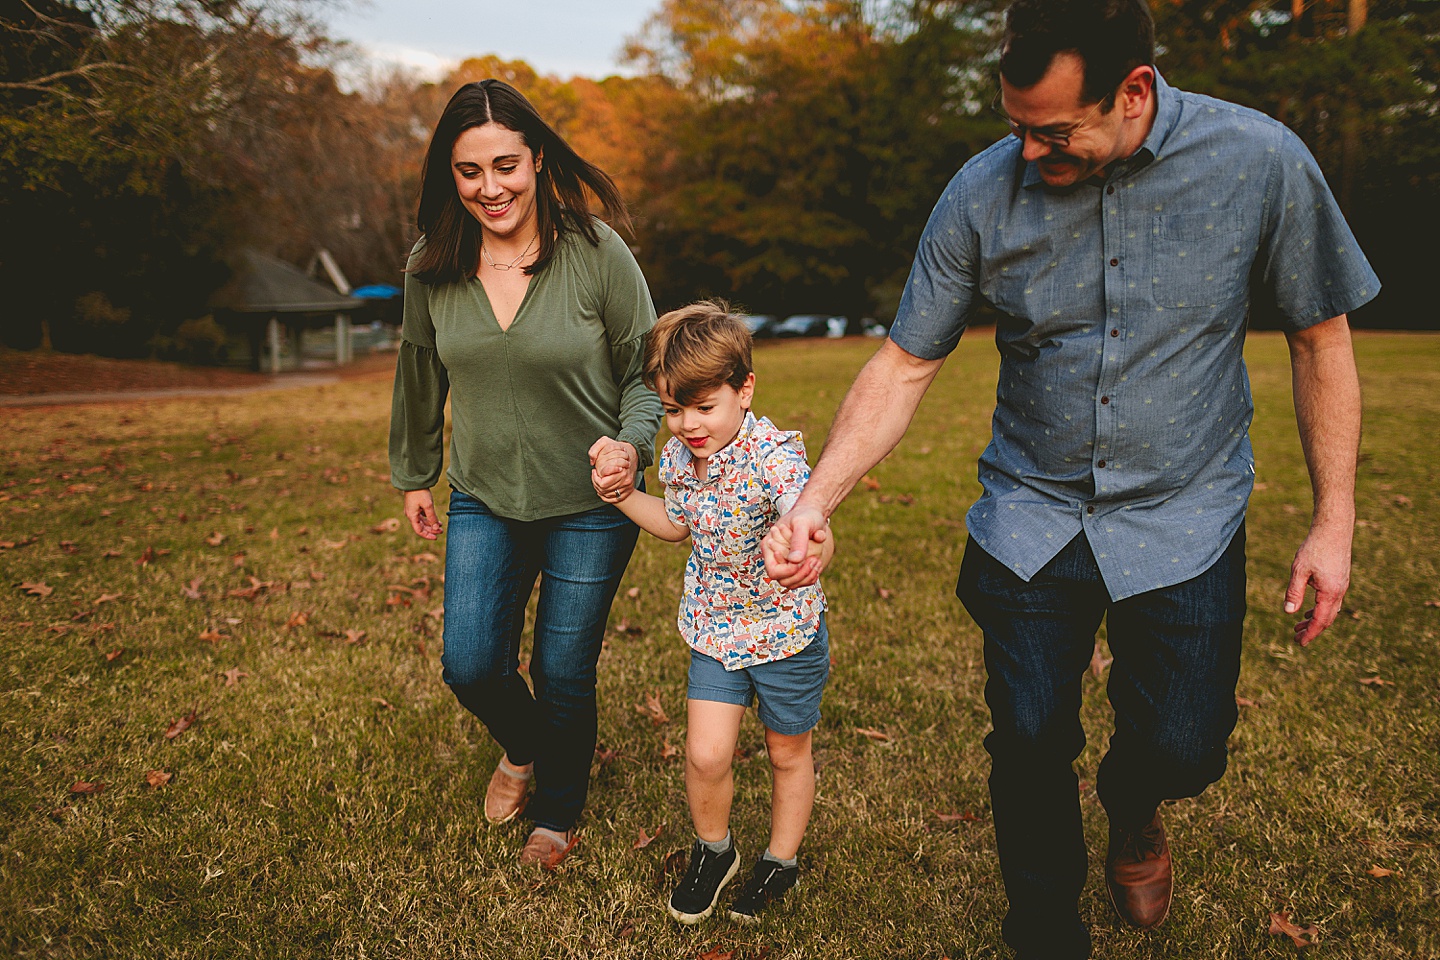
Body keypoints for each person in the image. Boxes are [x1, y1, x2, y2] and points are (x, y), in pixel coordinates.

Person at [761, 0, 1378, 956]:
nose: (1028, 153)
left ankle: (1134, 806)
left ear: (1133, 92)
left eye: (1053, 132)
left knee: (1184, 745)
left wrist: (1333, 519)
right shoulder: (979, 191)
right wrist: (813, 502)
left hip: (1187, 513)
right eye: (1014, 127)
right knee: (1030, 741)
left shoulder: (1261, 162)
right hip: (1031, 514)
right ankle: (1044, 930)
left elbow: (1319, 337)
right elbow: (905, 364)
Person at [389, 79, 664, 866]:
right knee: (471, 663)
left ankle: (558, 810)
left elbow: (646, 366)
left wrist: (630, 446)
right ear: (450, 176)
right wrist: (415, 471)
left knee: (562, 667)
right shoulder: (432, 264)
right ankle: (525, 745)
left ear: (538, 160)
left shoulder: (594, 251)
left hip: (591, 499)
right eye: (469, 171)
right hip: (484, 495)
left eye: (505, 165)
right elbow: (417, 370)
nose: (490, 188)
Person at [592, 301, 833, 923]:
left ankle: (780, 861)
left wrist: (807, 544)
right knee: (705, 754)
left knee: (787, 752)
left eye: (704, 407)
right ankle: (714, 851)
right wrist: (624, 497)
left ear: (744, 388)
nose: (688, 425)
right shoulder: (678, 458)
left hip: (784, 632)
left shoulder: (772, 454)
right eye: (673, 410)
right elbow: (676, 525)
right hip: (715, 628)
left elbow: (804, 513)